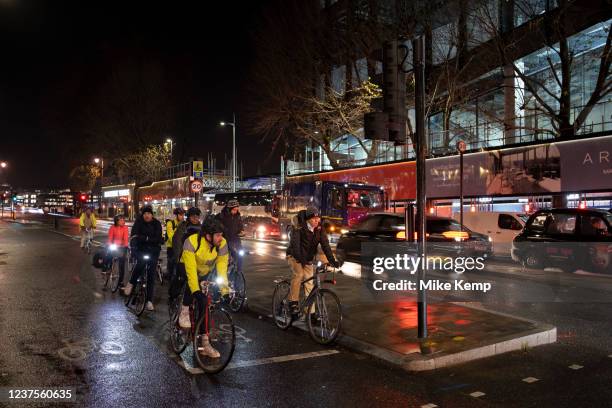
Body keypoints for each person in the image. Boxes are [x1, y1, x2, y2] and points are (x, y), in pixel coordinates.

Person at [179, 217, 230, 358]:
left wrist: (224, 290)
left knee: (204, 305)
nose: (221, 238)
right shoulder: (192, 242)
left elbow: (221, 268)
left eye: (221, 234)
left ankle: (205, 343)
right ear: (208, 236)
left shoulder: (222, 244)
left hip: (205, 271)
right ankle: (184, 309)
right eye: (218, 235)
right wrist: (196, 291)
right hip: (186, 267)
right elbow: (191, 272)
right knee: (194, 290)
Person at [286, 207, 339, 319]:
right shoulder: (299, 226)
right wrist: (301, 260)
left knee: (309, 284)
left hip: (307, 259)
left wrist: (332, 261)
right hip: (294, 256)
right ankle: (293, 303)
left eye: (318, 218)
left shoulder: (319, 229)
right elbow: (295, 246)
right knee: (299, 275)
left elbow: (325, 246)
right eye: (314, 219)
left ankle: (310, 313)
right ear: (308, 219)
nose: (317, 220)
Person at [124, 206, 163, 311]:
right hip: (140, 250)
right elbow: (134, 237)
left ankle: (149, 301)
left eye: (149, 213)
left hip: (153, 252)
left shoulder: (157, 224)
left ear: (152, 215)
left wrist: (145, 238)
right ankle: (131, 283)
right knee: (140, 264)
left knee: (151, 275)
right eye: (145, 213)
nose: (147, 215)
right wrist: (134, 249)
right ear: (142, 215)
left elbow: (158, 238)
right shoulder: (138, 223)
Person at [168, 207, 202, 300]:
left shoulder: (202, 228)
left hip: (197, 258)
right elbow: (177, 241)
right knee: (180, 279)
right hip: (183, 258)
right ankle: (174, 297)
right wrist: (178, 257)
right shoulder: (183, 227)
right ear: (189, 217)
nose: (195, 218)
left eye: (197, 216)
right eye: (193, 216)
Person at [215, 199, 244, 274]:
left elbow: (240, 226)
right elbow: (215, 227)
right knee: (228, 255)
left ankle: (239, 271)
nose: (235, 211)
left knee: (241, 254)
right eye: (234, 209)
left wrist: (241, 231)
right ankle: (223, 270)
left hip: (235, 239)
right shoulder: (221, 216)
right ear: (229, 209)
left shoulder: (237, 216)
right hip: (225, 240)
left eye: (237, 209)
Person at [106, 214, 129, 286]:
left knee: (122, 265)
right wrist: (109, 244)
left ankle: (121, 281)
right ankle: (107, 268)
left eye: (123, 220)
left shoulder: (125, 228)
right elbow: (110, 238)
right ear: (116, 221)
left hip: (122, 247)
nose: (123, 221)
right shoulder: (112, 227)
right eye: (121, 220)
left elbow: (125, 238)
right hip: (114, 246)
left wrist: (125, 246)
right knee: (108, 255)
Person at [165, 207, 185, 280]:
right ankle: (169, 277)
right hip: (171, 247)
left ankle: (177, 277)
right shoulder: (171, 223)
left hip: (180, 247)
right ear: (176, 215)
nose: (182, 216)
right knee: (171, 263)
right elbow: (171, 236)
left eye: (183, 215)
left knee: (179, 263)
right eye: (180, 215)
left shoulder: (183, 223)